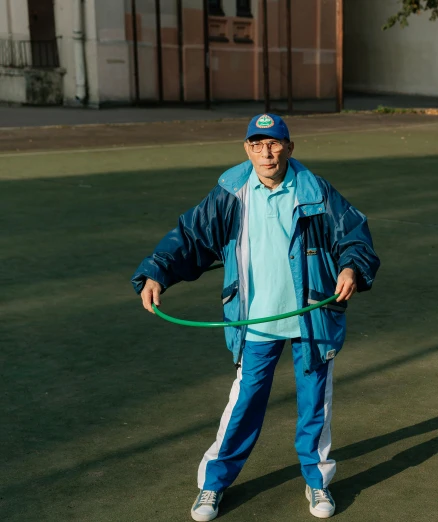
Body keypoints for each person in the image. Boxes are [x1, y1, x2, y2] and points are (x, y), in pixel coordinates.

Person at [130, 113, 380, 521]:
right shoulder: (231, 193)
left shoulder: (317, 191)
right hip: (256, 321)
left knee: (315, 404)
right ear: (247, 149)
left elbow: (354, 235)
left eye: (275, 143)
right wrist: (156, 271)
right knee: (244, 403)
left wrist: (351, 266)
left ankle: (316, 481)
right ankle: (213, 485)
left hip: (311, 319)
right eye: (257, 144)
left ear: (289, 147)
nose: (266, 152)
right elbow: (191, 237)